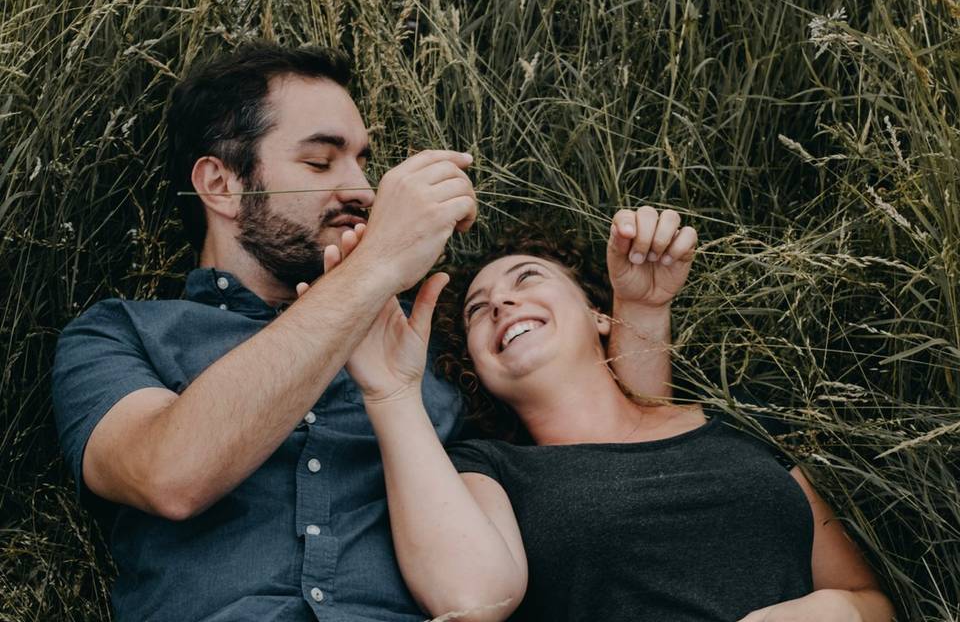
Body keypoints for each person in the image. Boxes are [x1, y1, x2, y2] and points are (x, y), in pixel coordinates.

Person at [51, 42, 680, 622]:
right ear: (221, 183)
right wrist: (376, 265)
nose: (361, 189)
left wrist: (640, 312)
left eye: (362, 161)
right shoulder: (117, 334)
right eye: (320, 161)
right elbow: (170, 475)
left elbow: (604, 439)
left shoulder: (429, 336)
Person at [317, 213, 896, 622]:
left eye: (527, 279)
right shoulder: (489, 469)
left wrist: (836, 609)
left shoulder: (741, 428)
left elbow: (867, 597)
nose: (500, 303)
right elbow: (467, 598)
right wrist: (391, 391)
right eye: (477, 310)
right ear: (476, 368)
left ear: (597, 314)